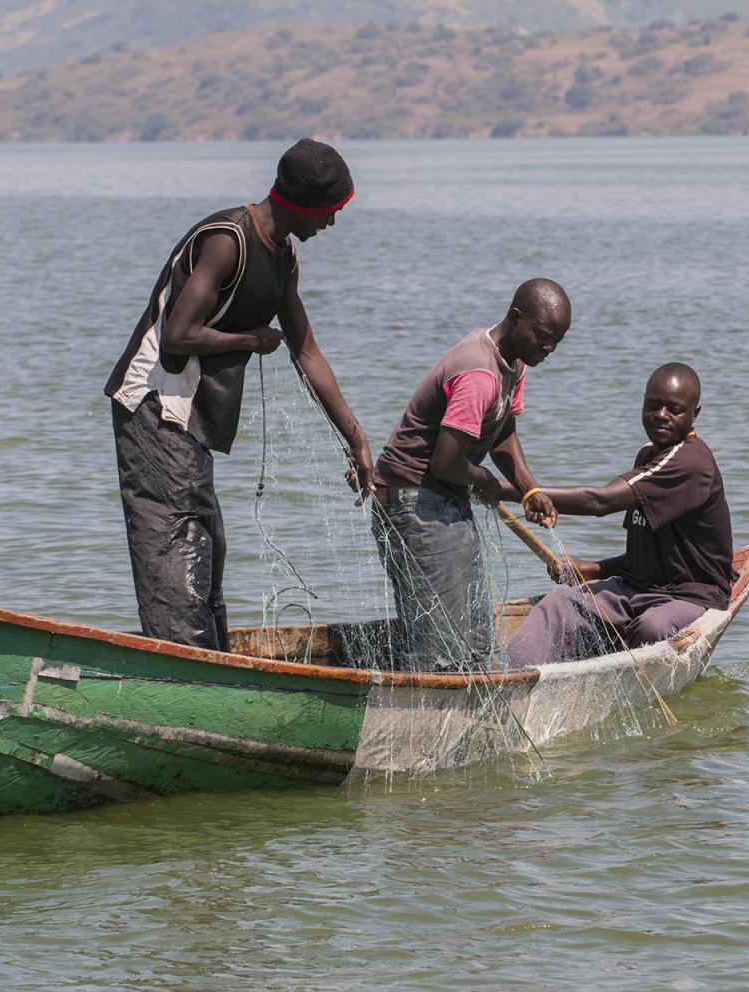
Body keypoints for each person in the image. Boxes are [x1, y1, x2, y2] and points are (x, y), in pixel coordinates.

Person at [104, 138, 375, 652]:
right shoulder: (228, 239)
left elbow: (308, 352)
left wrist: (356, 437)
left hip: (192, 423)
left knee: (206, 554)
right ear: (301, 204)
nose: (332, 224)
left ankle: (210, 661)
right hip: (154, 405)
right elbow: (180, 333)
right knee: (177, 555)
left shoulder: (282, 256)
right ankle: (187, 674)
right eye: (331, 212)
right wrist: (254, 339)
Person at [372, 279, 571, 671]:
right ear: (516, 318)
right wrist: (485, 482)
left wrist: (530, 490)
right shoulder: (479, 373)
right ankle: (422, 722)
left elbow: (501, 433)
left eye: (556, 343)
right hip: (415, 502)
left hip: (446, 498)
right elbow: (446, 463)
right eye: (544, 338)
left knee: (474, 637)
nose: (548, 350)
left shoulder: (514, 361)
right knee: (437, 642)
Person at [503, 362, 733, 666]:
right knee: (560, 603)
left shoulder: (691, 463)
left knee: (653, 628)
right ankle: (511, 678)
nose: (661, 415)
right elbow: (644, 555)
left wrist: (515, 491)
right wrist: (595, 570)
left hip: (689, 597)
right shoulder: (647, 456)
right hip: (635, 588)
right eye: (653, 405)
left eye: (674, 409)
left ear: (694, 414)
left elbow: (601, 501)